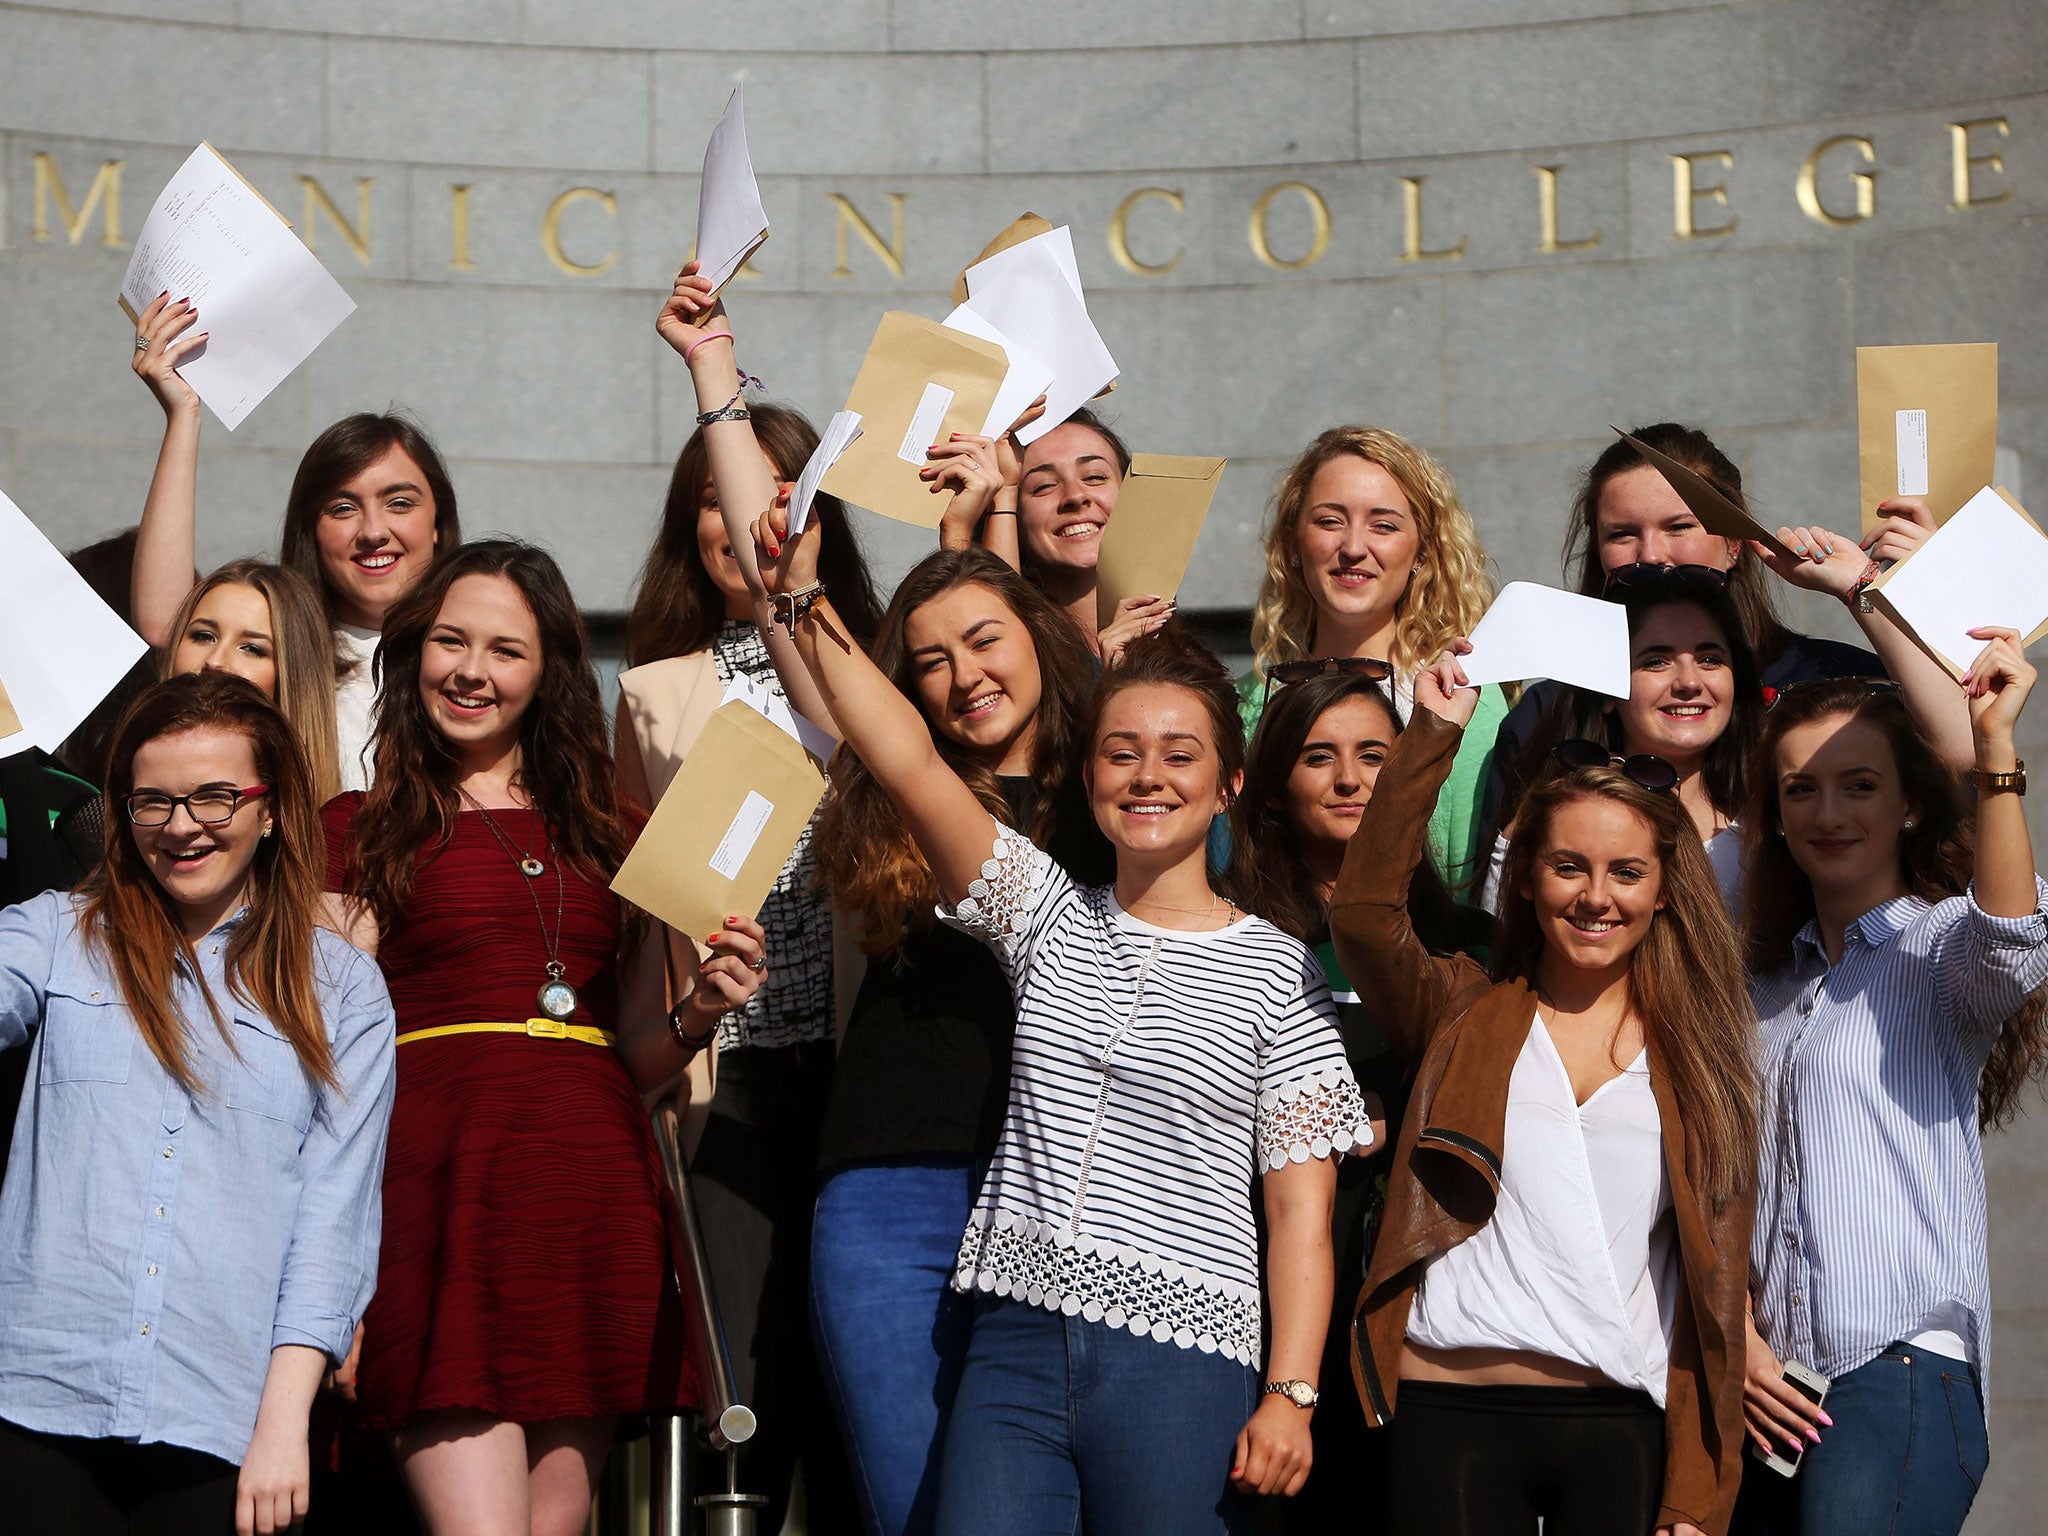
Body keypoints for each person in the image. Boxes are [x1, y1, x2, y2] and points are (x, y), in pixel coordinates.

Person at [758, 484, 1372, 1533]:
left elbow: (1299, 1216)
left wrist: (1290, 1390)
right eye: (1120, 754)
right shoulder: (1039, 912)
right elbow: (904, 756)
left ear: (1226, 787)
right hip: (1013, 1341)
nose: (1146, 778)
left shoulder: (1277, 971)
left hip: (1185, 1356)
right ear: (1085, 775)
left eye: (1179, 756)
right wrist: (804, 592)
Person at [323, 540, 766, 1536]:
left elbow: (638, 1055)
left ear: (548, 670)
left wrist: (703, 1010)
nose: (472, 671)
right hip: (435, 1187)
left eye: (504, 650)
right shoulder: (354, 826)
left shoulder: (618, 828)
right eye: (448, 641)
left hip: (589, 1191)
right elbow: (322, 1062)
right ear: (412, 651)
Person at [1329, 642, 1758, 1536]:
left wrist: (1700, 1490)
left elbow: (1713, 1291)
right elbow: (1365, 915)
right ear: (1524, 875)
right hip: (1449, 1415)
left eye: (1627, 872)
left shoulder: (1701, 1058)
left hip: (1619, 1422)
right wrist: (1429, 737)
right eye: (1569, 866)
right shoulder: (1462, 1012)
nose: (1596, 897)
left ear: (1664, 892)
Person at [0, 671, 396, 1536]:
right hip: (32, 1406)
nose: (181, 827)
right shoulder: (53, 937)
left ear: (274, 808)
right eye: (153, 802)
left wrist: (286, 1424)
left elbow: (333, 1224)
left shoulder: (344, 991)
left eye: (214, 796)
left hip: (224, 1420)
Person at [623, 267, 885, 1532]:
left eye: (778, 505)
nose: (746, 529)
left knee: (859, 1392)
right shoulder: (653, 693)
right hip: (727, 1077)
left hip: (856, 1068)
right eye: (722, 513)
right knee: (740, 1401)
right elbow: (641, 906)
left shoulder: (874, 670)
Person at [808, 548, 1105, 1536]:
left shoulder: (1119, 791)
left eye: (983, 639)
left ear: (1042, 639)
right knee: (920, 1511)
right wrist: (716, 388)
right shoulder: (901, 790)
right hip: (896, 1192)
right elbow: (821, 657)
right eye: (928, 660)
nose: (962, 673)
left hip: (1065, 1198)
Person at [1733, 647, 2048, 1536]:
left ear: (1910, 805)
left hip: (1897, 1369)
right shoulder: (1765, 991)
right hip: (1767, 1386)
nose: (1828, 812)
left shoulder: (1940, 948)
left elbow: (2014, 934)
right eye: (1800, 789)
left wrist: (1994, 752)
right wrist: (1743, 1342)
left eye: (1858, 785)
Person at [1235, 667, 1486, 1531]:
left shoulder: (1463, 943)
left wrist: (1394, 1109)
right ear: (1272, 785)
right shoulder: (1230, 933)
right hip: (1252, 1289)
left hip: (1407, 1301)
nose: (1350, 780)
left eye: (1375, 755)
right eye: (1318, 757)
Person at [1481, 423, 1970, 829]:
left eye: (1680, 527)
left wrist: (1866, 589)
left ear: (1735, 543)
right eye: (1623, 534)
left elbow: (1964, 752)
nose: (1651, 554)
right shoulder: (1548, 712)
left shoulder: (1828, 679)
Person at [129, 292, 462, 792]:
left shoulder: (477, 657)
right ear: (310, 529)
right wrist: (184, 414)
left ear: (438, 522)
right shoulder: (284, 644)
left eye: (399, 503)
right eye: (342, 508)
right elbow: (164, 622)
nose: (373, 531)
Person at [1240, 426, 1502, 891]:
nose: (1354, 548)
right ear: (1294, 543)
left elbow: (1474, 889)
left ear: (1422, 549)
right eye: (1329, 521)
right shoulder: (1247, 703)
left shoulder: (1468, 699)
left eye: (1383, 525)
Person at [1486, 574, 1764, 911]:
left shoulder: (1777, 826)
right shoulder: (1545, 824)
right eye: (1656, 661)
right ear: (1607, 692)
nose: (1689, 682)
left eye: (1710, 659)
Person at [157, 559, 343, 803]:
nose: (215, 661)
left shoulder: (337, 825)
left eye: (252, 649)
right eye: (203, 636)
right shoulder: (111, 793)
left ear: (292, 677)